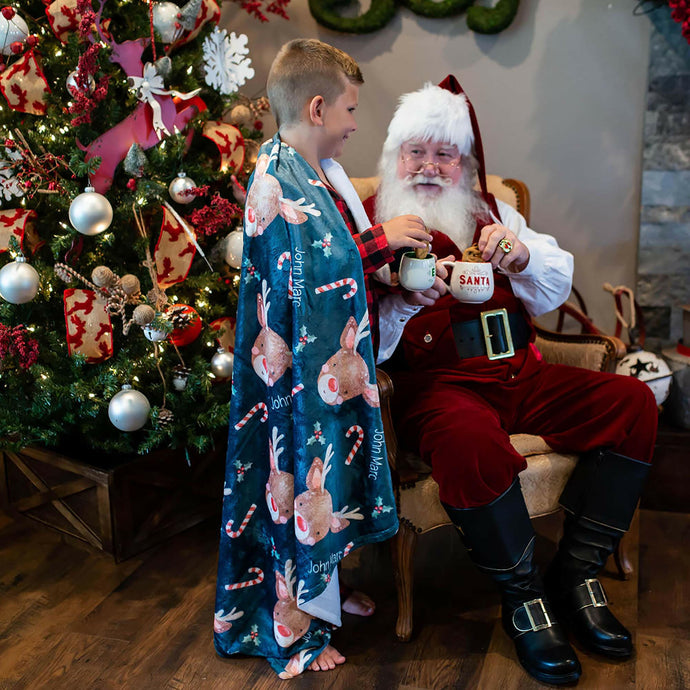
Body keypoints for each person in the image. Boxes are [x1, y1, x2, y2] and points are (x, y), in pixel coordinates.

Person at [367, 77, 657, 686]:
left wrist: (520, 256)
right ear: (395, 157)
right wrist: (404, 295)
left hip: (523, 372)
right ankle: (524, 597)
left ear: (465, 163)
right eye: (415, 151)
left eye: (443, 153)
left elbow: (551, 285)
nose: (428, 165)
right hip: (440, 387)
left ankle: (576, 576)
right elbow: (357, 340)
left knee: (631, 401)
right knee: (470, 444)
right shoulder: (370, 229)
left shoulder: (496, 214)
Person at [214, 39, 431, 679]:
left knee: (322, 482)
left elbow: (332, 260)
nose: (354, 124)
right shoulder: (276, 179)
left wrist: (384, 257)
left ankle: (323, 597)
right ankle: (297, 628)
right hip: (291, 378)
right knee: (293, 484)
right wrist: (380, 240)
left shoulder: (313, 175)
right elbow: (304, 278)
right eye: (349, 110)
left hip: (318, 371)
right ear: (316, 108)